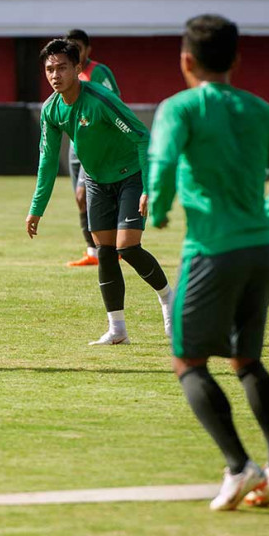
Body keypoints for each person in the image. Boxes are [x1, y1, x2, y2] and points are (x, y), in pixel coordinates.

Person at [147, 14, 269, 510]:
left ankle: (240, 467)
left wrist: (162, 205)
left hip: (212, 252)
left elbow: (164, 162)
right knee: (246, 359)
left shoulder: (180, 107)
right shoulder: (260, 109)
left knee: (187, 361)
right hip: (261, 251)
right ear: (236, 59)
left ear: (186, 61)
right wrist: (263, 219)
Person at [26, 39, 173, 344]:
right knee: (105, 252)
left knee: (127, 247)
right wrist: (36, 208)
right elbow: (48, 161)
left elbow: (142, 137)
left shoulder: (99, 100)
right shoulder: (51, 110)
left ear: (78, 69)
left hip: (130, 176)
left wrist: (147, 188)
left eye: (62, 68)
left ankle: (169, 299)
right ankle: (117, 329)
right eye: (49, 69)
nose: (55, 75)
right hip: (95, 181)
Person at [62, 29, 122, 268]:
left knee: (83, 194)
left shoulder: (98, 72)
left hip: (96, 144)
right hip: (76, 144)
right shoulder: (67, 72)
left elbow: (114, 101)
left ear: (88, 49)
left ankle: (110, 247)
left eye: (78, 46)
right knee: (80, 200)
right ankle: (93, 252)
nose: (75, 51)